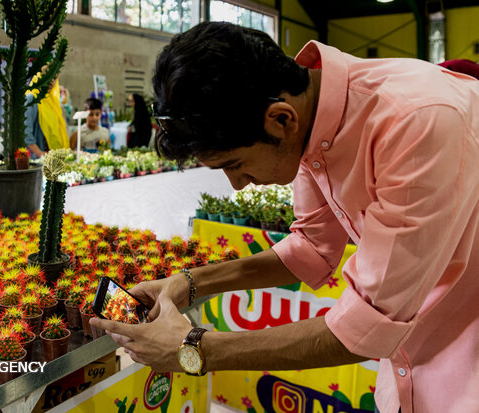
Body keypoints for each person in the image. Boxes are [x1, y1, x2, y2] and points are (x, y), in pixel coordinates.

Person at [90, 22, 479, 413]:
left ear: (280, 119)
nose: (239, 185)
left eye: (235, 164)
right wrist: (189, 283)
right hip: (407, 378)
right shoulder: (310, 117)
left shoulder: (416, 124)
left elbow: (365, 328)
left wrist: (195, 349)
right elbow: (311, 247)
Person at [24, 68, 69, 159]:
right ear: (40, 76)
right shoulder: (32, 99)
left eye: (54, 78)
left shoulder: (53, 101)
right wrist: (41, 154)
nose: (52, 82)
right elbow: (25, 133)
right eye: (48, 76)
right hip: (38, 160)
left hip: (53, 158)